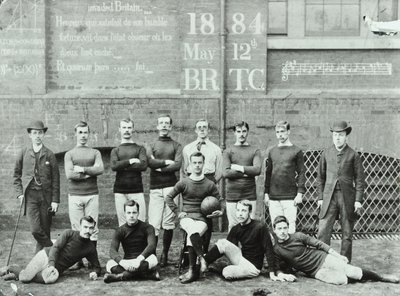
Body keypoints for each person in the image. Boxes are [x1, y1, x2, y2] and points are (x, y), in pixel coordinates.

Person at [272, 215, 399, 285]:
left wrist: (338, 256)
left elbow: (320, 244)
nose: (282, 231)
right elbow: (277, 268)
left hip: (323, 258)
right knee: (341, 280)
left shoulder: (298, 236)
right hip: (314, 271)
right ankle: (360, 278)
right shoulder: (277, 249)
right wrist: (284, 275)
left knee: (352, 271)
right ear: (274, 230)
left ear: (288, 227)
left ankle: (381, 277)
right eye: (279, 229)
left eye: (284, 228)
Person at [165, 152, 223, 284]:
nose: (197, 165)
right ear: (190, 165)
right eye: (194, 163)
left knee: (193, 232)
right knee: (192, 229)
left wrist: (220, 212)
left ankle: (192, 270)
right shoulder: (184, 182)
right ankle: (201, 260)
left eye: (200, 163)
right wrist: (177, 211)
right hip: (187, 217)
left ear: (203, 164)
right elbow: (168, 197)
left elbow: (220, 200)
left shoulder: (209, 184)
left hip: (203, 219)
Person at [202, 200, 292, 282]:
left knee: (227, 272)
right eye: (238, 210)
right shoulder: (236, 228)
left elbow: (268, 249)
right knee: (223, 243)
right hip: (241, 258)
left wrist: (272, 274)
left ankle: (222, 267)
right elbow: (227, 248)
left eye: (244, 211)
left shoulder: (259, 227)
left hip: (253, 267)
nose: (240, 214)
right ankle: (203, 262)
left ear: (249, 212)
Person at [317, 121, 365, 262]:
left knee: (347, 233)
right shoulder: (326, 153)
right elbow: (320, 177)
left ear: (346, 137)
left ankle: (345, 262)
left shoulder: (353, 155)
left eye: (341, 135)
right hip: (328, 198)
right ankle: (322, 261)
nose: (338, 138)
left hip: (347, 198)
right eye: (335, 135)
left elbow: (360, 179)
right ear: (332, 136)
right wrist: (320, 197)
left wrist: (358, 200)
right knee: (323, 231)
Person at [0, 216, 101, 284]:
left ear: (94, 229)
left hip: (56, 270)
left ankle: (17, 275)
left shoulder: (90, 248)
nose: (88, 230)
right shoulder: (69, 233)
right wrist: (51, 265)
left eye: (91, 228)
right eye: (85, 227)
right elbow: (55, 248)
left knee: (48, 280)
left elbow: (97, 266)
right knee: (25, 278)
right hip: (46, 256)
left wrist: (95, 273)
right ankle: (12, 268)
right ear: (80, 226)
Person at [13, 120, 60, 253]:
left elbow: (56, 179)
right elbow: (16, 175)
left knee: (45, 229)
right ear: (30, 135)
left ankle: (41, 261)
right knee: (35, 230)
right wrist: (19, 193)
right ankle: (53, 248)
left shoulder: (49, 154)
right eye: (34, 133)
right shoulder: (23, 152)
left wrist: (55, 200)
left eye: (40, 133)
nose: (37, 135)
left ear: (43, 134)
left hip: (46, 197)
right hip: (30, 196)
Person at [64, 121, 104, 268]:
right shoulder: (69, 154)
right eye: (80, 132)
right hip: (75, 195)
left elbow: (100, 169)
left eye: (85, 132)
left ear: (89, 134)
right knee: (76, 229)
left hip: (92, 194)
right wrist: (89, 172)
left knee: (92, 227)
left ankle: (92, 261)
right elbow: (69, 174)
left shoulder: (95, 152)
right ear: (75, 134)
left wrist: (82, 169)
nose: (83, 135)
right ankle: (77, 260)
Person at [146, 115, 182, 266]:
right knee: (154, 223)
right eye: (161, 123)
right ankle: (153, 253)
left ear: (171, 127)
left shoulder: (176, 145)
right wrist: (165, 163)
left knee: (168, 222)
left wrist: (158, 166)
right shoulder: (151, 145)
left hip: (171, 187)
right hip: (155, 187)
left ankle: (165, 254)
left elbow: (178, 164)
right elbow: (150, 162)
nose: (164, 126)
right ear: (157, 126)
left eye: (167, 123)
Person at [264, 121, 306, 234]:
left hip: (290, 197)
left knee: (290, 228)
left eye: (282, 131)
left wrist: (300, 193)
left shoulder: (296, 151)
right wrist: (266, 193)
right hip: (273, 197)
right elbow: (268, 173)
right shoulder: (272, 151)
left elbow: (302, 172)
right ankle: (277, 252)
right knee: (276, 227)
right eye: (277, 132)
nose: (280, 135)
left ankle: (290, 251)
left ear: (288, 132)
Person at [103, 200, 160, 283]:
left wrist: (139, 260)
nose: (131, 215)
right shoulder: (119, 230)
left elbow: (152, 245)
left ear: (138, 213)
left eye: (134, 212)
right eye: (129, 213)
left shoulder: (148, 227)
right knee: (109, 264)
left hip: (143, 260)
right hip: (127, 262)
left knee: (154, 259)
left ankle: (119, 276)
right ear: (125, 214)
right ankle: (147, 275)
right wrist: (123, 262)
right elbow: (112, 250)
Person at [223, 121, 261, 230]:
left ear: (247, 132)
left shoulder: (254, 150)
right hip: (232, 195)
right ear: (234, 133)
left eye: (244, 131)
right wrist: (247, 173)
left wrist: (239, 168)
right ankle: (233, 247)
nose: (241, 134)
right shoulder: (228, 151)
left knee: (250, 227)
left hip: (249, 194)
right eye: (238, 131)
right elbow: (226, 172)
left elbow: (257, 170)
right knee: (233, 227)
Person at [111, 118, 148, 225]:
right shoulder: (115, 150)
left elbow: (143, 165)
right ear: (119, 129)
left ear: (133, 129)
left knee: (140, 222)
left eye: (129, 127)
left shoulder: (140, 149)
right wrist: (130, 161)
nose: (126, 130)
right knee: (123, 224)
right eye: (124, 127)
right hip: (120, 191)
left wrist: (121, 165)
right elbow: (114, 166)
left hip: (136, 189)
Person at [182, 119, 222, 183]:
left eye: (204, 127)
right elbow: (184, 170)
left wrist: (212, 184)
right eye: (199, 127)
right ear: (196, 130)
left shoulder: (216, 149)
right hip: (191, 182)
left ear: (209, 130)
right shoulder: (187, 148)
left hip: (209, 180)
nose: (202, 129)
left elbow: (219, 172)